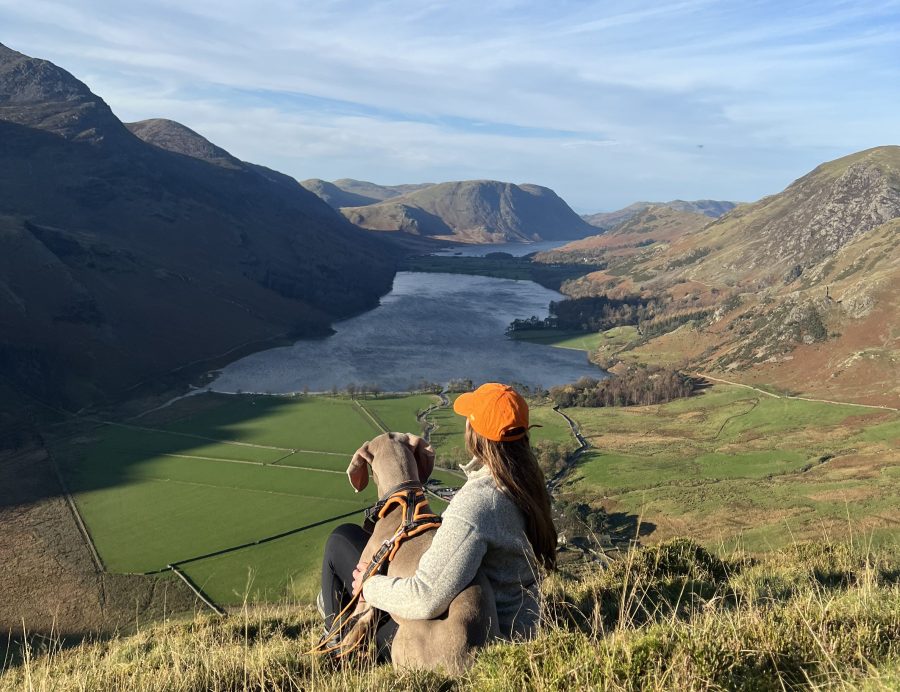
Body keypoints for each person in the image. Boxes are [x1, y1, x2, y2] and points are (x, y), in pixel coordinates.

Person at [318, 382, 557, 654]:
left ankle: (338, 646)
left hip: (477, 642)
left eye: (469, 419)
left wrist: (369, 586)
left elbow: (425, 597)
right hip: (520, 628)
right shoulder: (528, 483)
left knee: (340, 540)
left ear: (474, 434)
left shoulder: (478, 502)